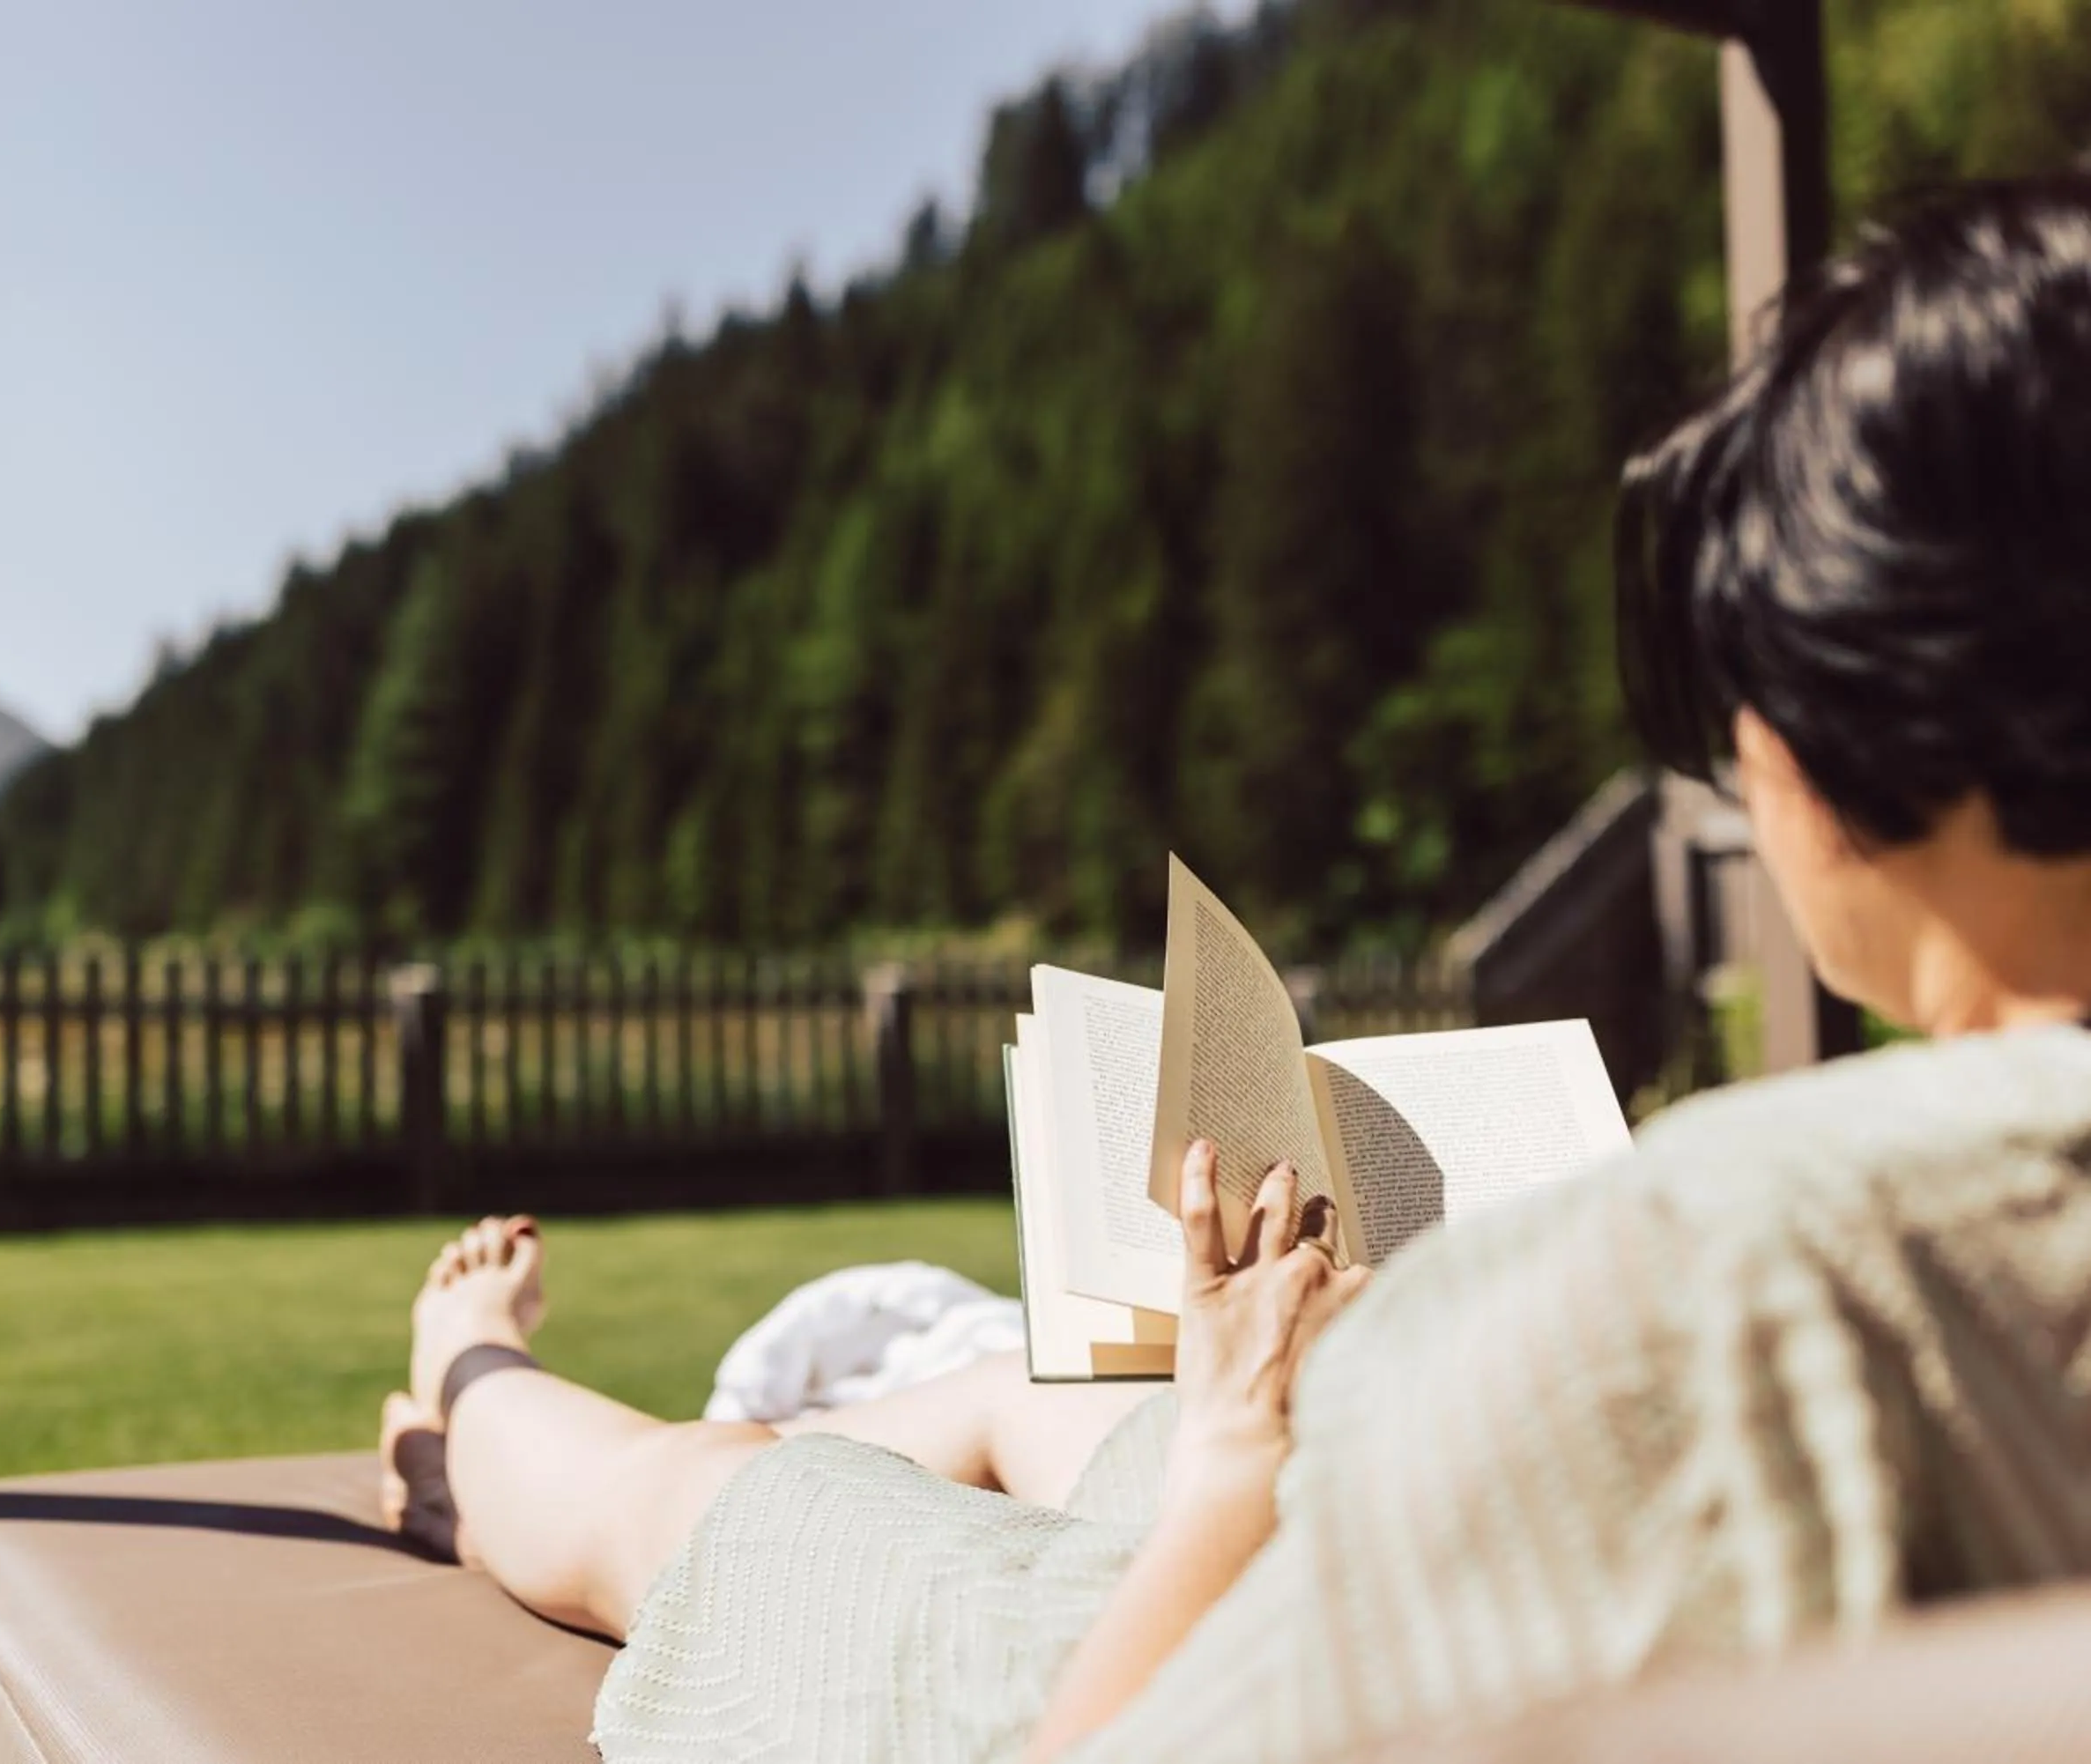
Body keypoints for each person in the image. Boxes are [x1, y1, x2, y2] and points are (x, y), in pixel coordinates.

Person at [377, 173, 2091, 1762]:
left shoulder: (1730, 1280)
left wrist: (1231, 1451)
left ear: (1810, 740)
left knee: (725, 1489)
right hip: (1392, 1520)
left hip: (1181, 1634)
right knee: (1012, 1398)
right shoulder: (1920, 1219)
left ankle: (474, 1386)